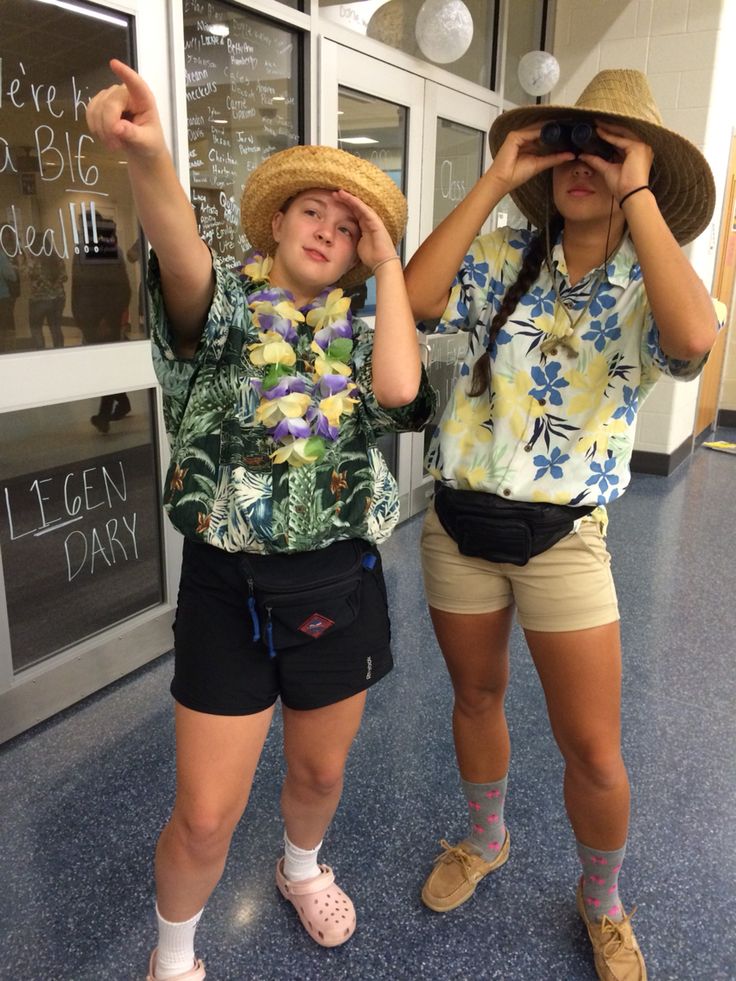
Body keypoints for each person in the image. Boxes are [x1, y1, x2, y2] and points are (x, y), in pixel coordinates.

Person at [86, 60, 435, 981]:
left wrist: (392, 262)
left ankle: (300, 867)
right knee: (204, 814)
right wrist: (148, 157)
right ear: (276, 222)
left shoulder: (367, 334)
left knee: (320, 775)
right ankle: (174, 957)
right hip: (227, 589)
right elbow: (179, 251)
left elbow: (402, 392)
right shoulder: (230, 312)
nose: (328, 229)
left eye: (349, 225)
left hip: (340, 586)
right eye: (312, 211)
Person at [404, 68, 719, 981]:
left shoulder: (642, 276)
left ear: (642, 166)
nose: (582, 159)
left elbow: (693, 340)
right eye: (568, 143)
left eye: (607, 146)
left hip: (564, 539)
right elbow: (417, 301)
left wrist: (639, 192)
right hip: (459, 523)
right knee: (475, 698)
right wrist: (497, 179)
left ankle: (602, 901)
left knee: (593, 746)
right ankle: (487, 837)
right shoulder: (504, 252)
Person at [28, 252, 67, 349]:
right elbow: (64, 277)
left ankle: (40, 352)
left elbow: (29, 274)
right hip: (58, 298)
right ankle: (60, 352)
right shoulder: (57, 258)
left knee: (36, 327)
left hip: (39, 298)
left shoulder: (35, 259)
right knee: (56, 328)